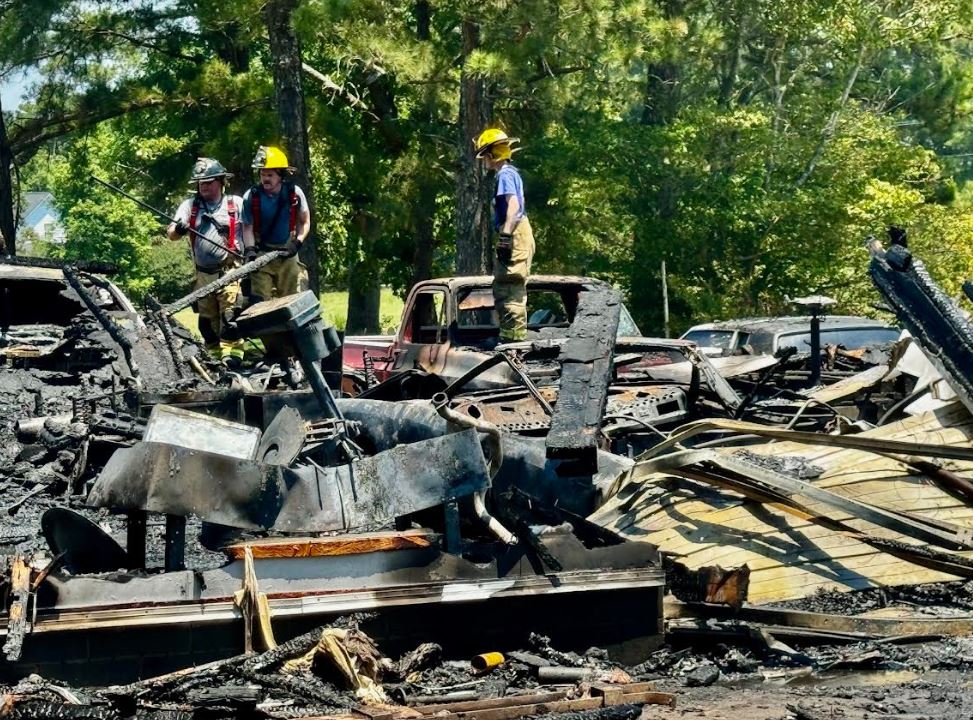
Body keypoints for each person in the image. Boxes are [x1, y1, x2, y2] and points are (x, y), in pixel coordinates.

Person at [167, 157, 245, 367]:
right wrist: (179, 229)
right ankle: (214, 356)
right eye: (201, 183)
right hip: (202, 273)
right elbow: (171, 234)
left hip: (230, 270)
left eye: (209, 182)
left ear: (221, 181)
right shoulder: (189, 206)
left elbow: (250, 229)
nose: (204, 187)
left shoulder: (236, 204)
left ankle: (233, 356)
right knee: (206, 320)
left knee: (230, 314)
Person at [474, 127, 535, 342]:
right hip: (518, 232)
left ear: (492, 154)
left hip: (515, 233)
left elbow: (514, 206)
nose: (484, 161)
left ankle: (512, 342)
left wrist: (506, 236)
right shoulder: (511, 174)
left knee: (508, 286)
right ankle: (511, 337)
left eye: (485, 156)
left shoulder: (505, 175)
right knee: (508, 285)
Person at [241, 145, 311, 301]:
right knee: (259, 304)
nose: (265, 178)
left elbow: (305, 221)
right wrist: (250, 250)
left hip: (288, 253)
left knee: (293, 300)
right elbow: (247, 227)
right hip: (261, 254)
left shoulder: (295, 193)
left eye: (270, 175)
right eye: (262, 174)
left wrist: (297, 243)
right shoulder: (251, 197)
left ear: (280, 175)